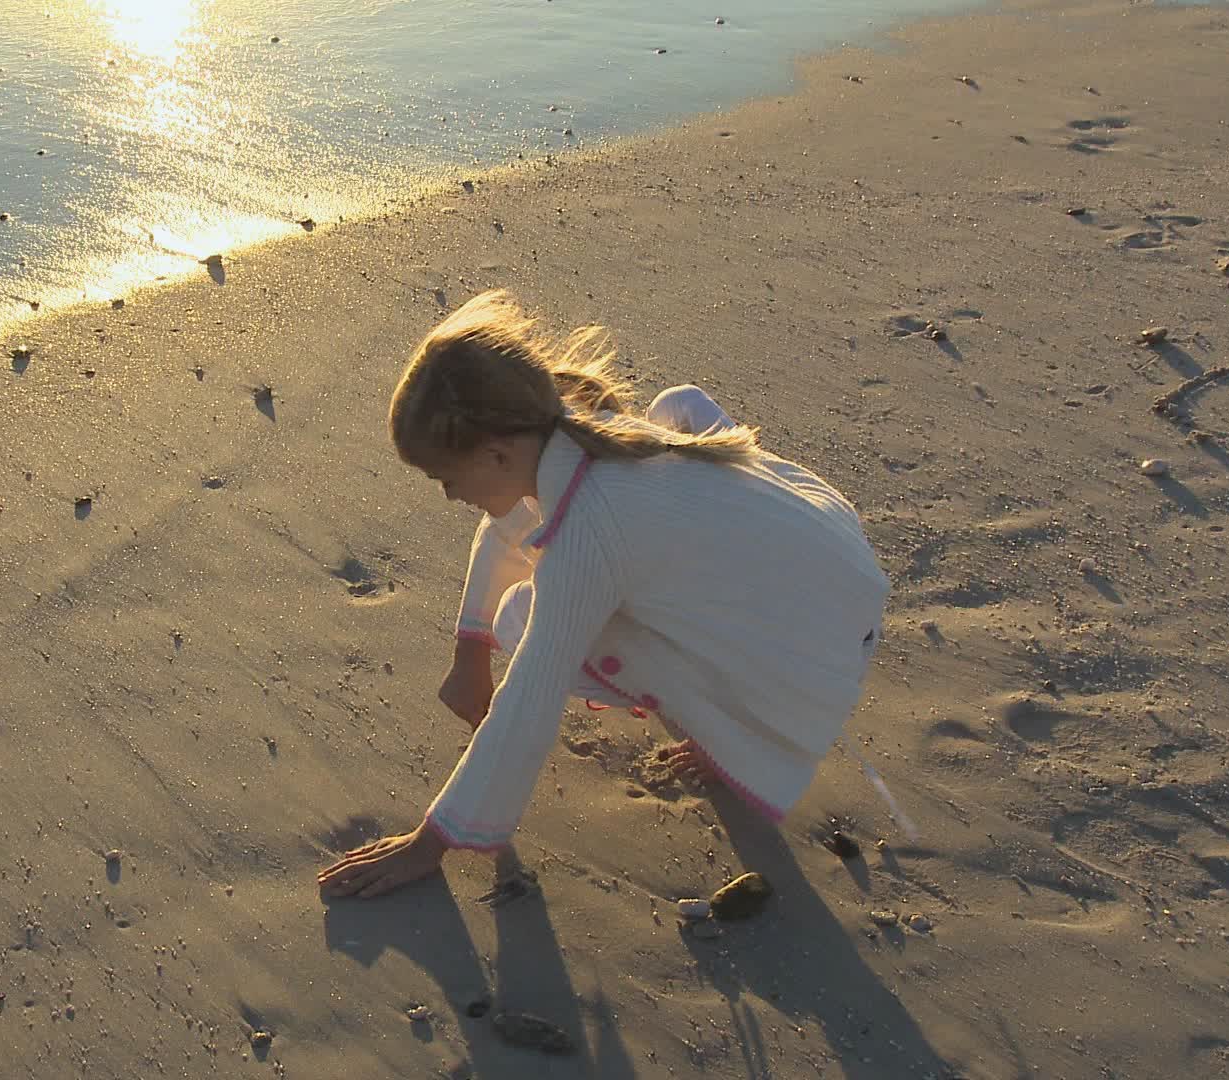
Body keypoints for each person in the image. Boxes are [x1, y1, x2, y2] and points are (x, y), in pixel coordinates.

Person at [318, 291, 890, 900]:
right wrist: (468, 650)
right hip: (838, 563)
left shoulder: (594, 524)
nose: (447, 493)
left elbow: (531, 694)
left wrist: (431, 842)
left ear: (495, 453)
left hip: (816, 651)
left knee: (524, 618)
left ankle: (736, 731)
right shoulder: (585, 435)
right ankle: (730, 695)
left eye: (445, 476)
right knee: (680, 406)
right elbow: (513, 521)